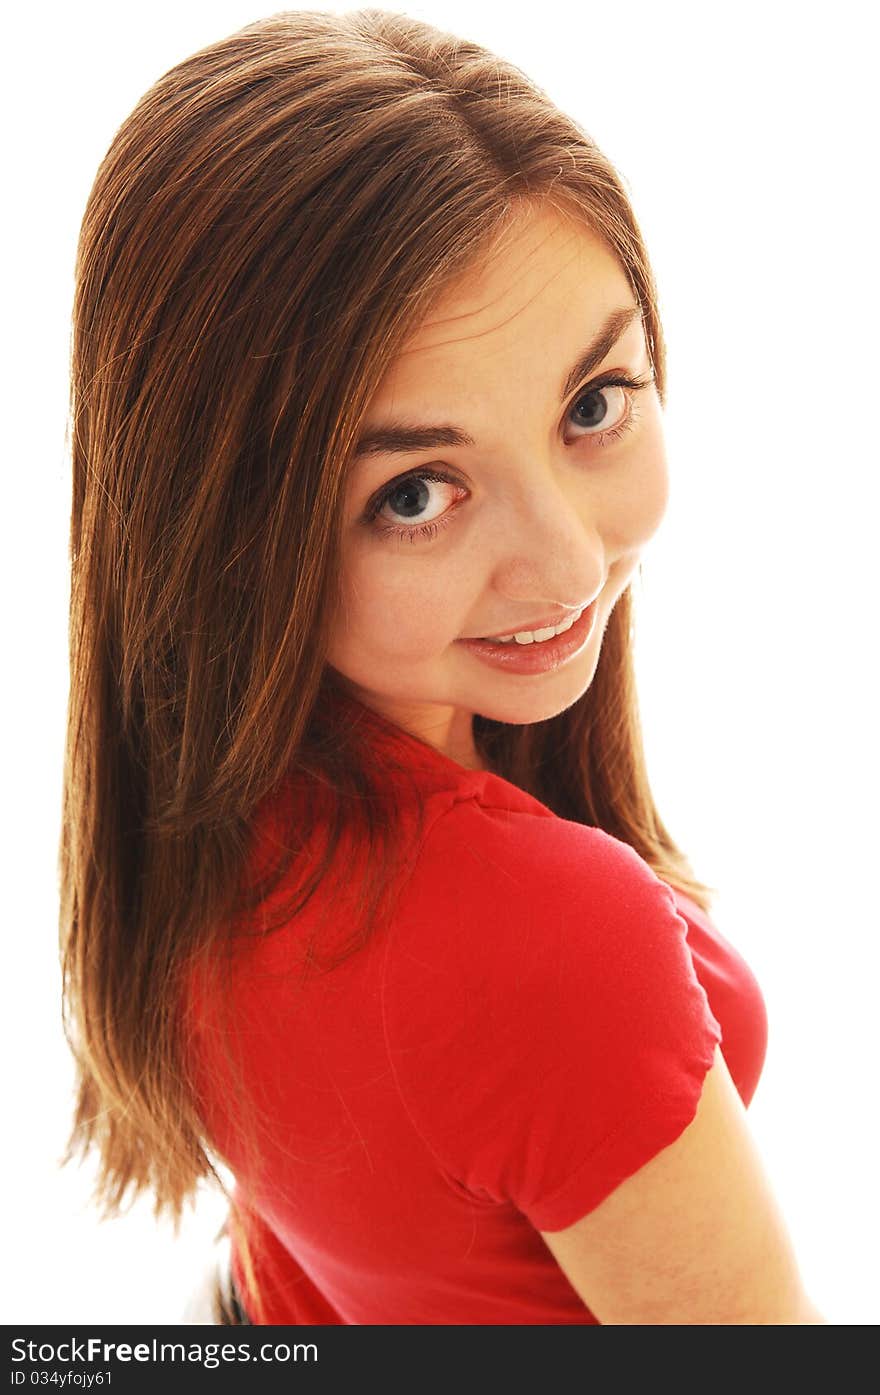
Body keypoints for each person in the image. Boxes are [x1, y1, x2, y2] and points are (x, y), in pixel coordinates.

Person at [59, 7, 826, 1325]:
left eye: (592, 405)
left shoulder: (191, 817)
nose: (569, 564)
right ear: (226, 528)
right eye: (419, 492)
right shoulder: (550, 943)